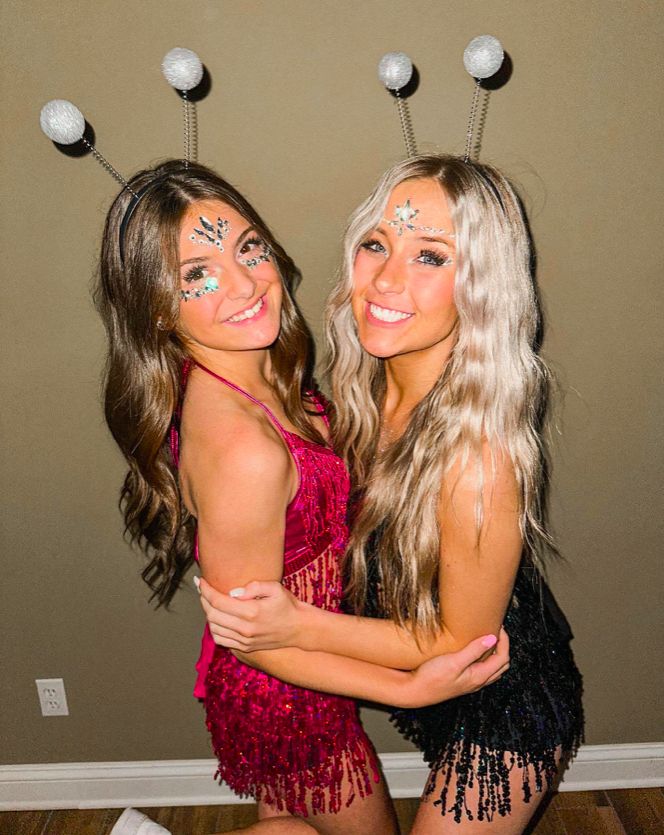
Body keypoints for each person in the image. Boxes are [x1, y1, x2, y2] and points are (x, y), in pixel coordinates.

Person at [97, 159, 510, 835]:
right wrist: (410, 686)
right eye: (195, 275)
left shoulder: (262, 369)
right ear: (157, 308)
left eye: (248, 248)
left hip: (312, 670)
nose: (243, 283)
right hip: (289, 695)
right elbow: (254, 636)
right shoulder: (244, 450)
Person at [199, 154, 584, 832]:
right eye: (376, 243)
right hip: (410, 676)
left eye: (431, 256)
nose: (385, 277)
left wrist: (297, 625)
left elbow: (464, 639)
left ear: (484, 286)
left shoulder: (480, 459)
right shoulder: (351, 395)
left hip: (502, 701)